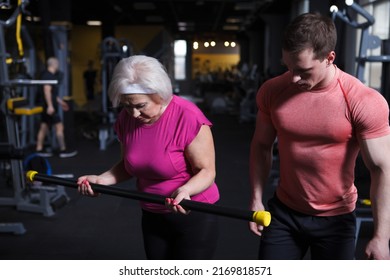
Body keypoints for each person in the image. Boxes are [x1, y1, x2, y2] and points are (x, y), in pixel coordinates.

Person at [248, 12, 390, 260]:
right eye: (288, 67)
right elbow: (261, 146)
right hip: (284, 213)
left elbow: (382, 169)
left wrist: (381, 237)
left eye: (303, 71)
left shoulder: (361, 100)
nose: (293, 78)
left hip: (336, 219)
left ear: (329, 58)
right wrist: (256, 199)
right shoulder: (273, 91)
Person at [77, 55, 220, 259]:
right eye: (127, 106)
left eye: (140, 106)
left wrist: (186, 190)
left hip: (193, 212)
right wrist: (101, 180)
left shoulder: (188, 116)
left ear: (160, 94)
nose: (133, 114)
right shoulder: (126, 119)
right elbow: (129, 165)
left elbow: (207, 172)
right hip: (151, 212)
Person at [35, 57, 78, 158]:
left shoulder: (49, 75)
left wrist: (61, 102)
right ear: (54, 64)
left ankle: (39, 148)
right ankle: (63, 150)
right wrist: (50, 106)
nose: (58, 66)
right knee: (59, 127)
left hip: (49, 106)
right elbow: (47, 91)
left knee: (43, 127)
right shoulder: (48, 76)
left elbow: (53, 94)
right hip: (49, 107)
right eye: (57, 64)